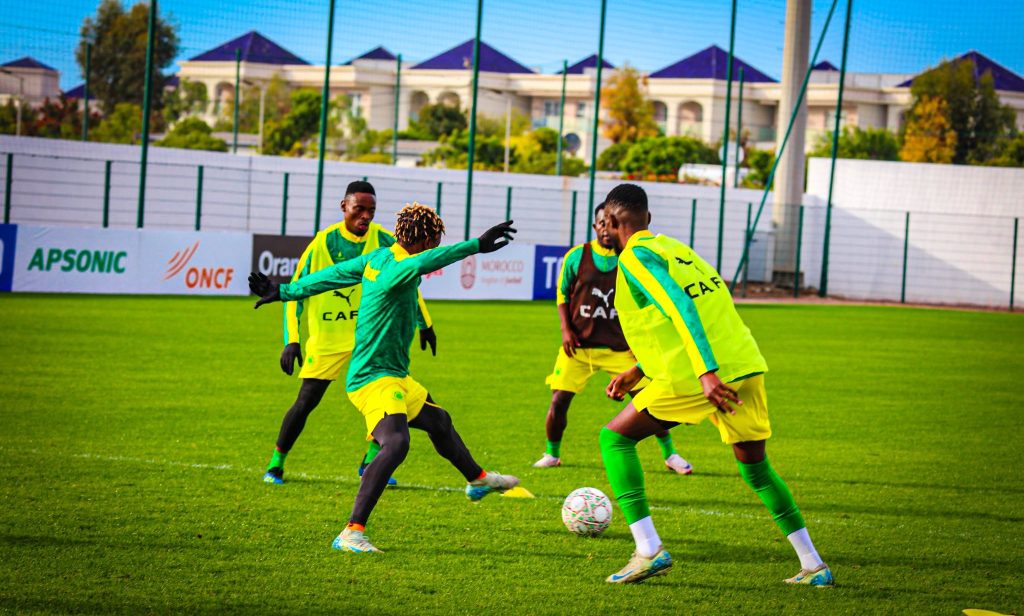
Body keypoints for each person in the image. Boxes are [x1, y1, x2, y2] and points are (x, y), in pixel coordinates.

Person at [596, 184, 832, 586]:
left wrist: (706, 371)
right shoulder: (678, 250)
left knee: (614, 439)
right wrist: (639, 369)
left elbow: (680, 305)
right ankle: (814, 565)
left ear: (615, 221)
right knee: (757, 470)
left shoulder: (634, 257)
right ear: (648, 218)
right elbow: (686, 313)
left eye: (605, 221)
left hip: (702, 375)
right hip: (744, 364)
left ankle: (648, 550)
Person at [249, 204, 520, 553]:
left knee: (439, 422)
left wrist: (285, 290)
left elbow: (333, 275)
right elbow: (425, 263)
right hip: (373, 378)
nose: (436, 246)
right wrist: (476, 246)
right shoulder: (400, 267)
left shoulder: (378, 258)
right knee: (396, 443)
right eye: (435, 240)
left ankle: (478, 480)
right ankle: (351, 532)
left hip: (394, 375)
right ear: (425, 240)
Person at [262, 180, 436, 486]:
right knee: (306, 401)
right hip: (328, 338)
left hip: (370, 338)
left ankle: (369, 462)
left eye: (371, 210)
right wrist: (292, 339)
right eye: (359, 209)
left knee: (388, 398)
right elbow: (297, 289)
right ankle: (276, 463)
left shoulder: (384, 241)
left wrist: (426, 324)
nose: (365, 216)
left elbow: (409, 283)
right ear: (344, 206)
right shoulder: (322, 242)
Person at [534, 202, 692, 475]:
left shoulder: (630, 259)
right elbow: (563, 295)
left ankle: (671, 454)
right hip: (578, 349)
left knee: (649, 401)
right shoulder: (577, 256)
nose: (606, 229)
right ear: (595, 226)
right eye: (601, 224)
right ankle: (552, 453)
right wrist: (566, 330)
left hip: (619, 350)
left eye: (610, 224)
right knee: (558, 401)